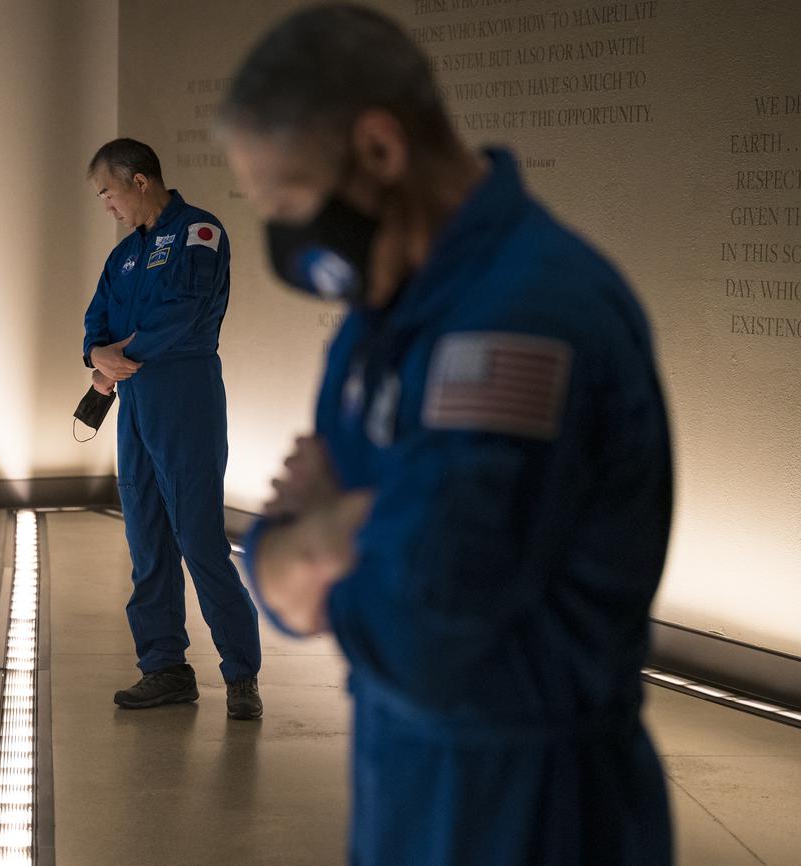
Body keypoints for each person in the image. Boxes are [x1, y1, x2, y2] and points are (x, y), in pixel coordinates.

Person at [221, 5, 673, 863]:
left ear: (381, 151)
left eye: (287, 200)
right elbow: (282, 572)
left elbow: (425, 624)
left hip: (535, 806)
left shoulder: (527, 318)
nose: (283, 232)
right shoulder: (382, 310)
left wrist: (318, 543)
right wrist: (329, 535)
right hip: (403, 772)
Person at [82, 138, 264, 720]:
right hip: (136, 404)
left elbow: (184, 311)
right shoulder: (124, 257)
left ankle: (241, 675)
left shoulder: (198, 234)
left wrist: (117, 357)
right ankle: (163, 667)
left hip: (184, 396)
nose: (106, 205)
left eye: (108, 192)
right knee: (147, 540)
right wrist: (96, 353)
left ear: (139, 181)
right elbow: (97, 316)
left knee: (201, 540)